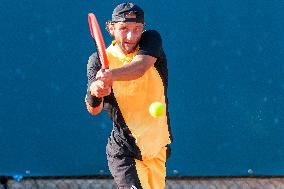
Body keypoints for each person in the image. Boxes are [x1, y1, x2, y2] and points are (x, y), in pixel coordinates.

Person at [85, 2, 172, 189]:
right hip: (125, 151)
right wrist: (97, 91)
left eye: (137, 29)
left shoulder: (151, 40)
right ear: (111, 28)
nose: (131, 36)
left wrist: (111, 75)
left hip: (157, 147)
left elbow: (140, 67)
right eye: (124, 28)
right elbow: (93, 109)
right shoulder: (97, 61)